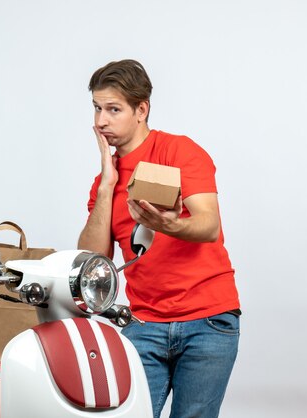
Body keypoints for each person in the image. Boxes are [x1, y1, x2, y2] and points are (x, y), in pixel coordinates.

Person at [78, 59, 241, 418]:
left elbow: (208, 224)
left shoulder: (179, 151)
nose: (100, 120)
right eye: (96, 108)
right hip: (144, 324)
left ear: (141, 110)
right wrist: (107, 186)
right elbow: (91, 262)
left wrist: (168, 225)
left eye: (113, 109)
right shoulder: (103, 181)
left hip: (208, 321)